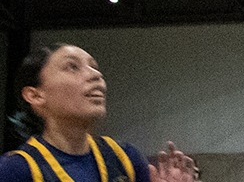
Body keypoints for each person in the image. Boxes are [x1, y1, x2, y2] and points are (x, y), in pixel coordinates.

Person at [2, 44, 197, 182]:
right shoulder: (16, 170)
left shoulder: (125, 158)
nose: (96, 75)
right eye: (72, 66)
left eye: (94, 67)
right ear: (35, 95)